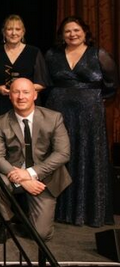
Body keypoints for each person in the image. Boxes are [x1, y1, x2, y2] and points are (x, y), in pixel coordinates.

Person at [44, 16, 118, 227]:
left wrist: (91, 98)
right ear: (62, 35)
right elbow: (46, 81)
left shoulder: (99, 54)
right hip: (58, 111)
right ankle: (58, 210)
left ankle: (88, 212)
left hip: (89, 115)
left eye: (76, 30)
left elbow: (112, 84)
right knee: (59, 155)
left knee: (87, 155)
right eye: (67, 31)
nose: (72, 34)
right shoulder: (52, 55)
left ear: (85, 32)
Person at [0, 78, 71, 243]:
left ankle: (27, 218)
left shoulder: (53, 118)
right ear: (9, 96)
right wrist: (22, 178)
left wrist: (30, 173)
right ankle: (7, 223)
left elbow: (63, 153)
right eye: (16, 92)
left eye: (26, 92)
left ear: (35, 95)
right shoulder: (1, 122)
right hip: (15, 174)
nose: (21, 97)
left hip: (44, 178)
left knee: (41, 235)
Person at [0, 15, 49, 118]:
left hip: (26, 104)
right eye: (9, 29)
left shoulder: (34, 52)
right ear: (4, 32)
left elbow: (42, 82)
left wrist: (21, 90)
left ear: (23, 32)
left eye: (17, 29)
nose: (14, 33)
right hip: (1, 104)